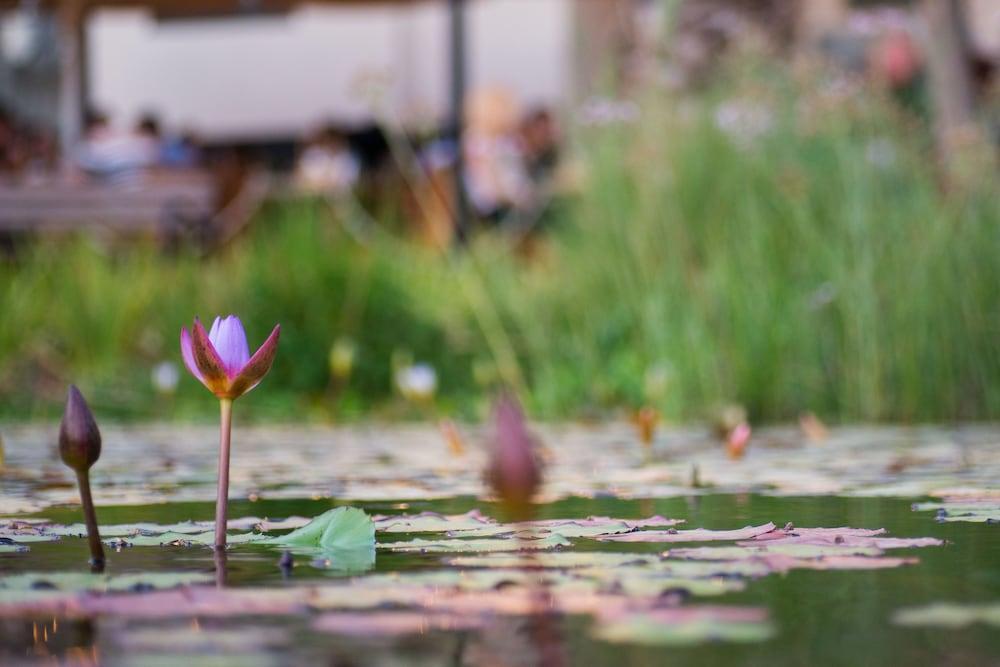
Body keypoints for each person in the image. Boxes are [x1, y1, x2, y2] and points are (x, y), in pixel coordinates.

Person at [295, 124, 359, 194]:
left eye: (334, 140)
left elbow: (349, 182)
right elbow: (302, 179)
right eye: (329, 140)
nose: (332, 144)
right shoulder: (314, 155)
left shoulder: (349, 159)